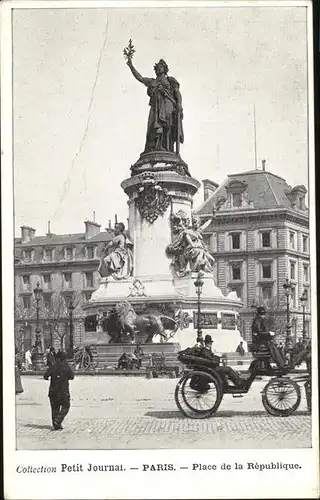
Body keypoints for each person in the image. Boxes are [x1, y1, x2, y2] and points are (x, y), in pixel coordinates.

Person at [126, 57, 184, 153]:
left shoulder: (170, 80)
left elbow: (177, 94)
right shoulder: (152, 81)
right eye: (157, 67)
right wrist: (131, 66)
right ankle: (155, 147)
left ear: (165, 69)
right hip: (155, 108)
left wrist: (179, 105)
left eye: (161, 67)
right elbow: (140, 78)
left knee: (167, 126)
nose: (159, 68)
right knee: (152, 126)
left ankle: (167, 148)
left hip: (167, 105)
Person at [43, 351, 74, 430]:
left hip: (53, 391)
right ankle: (58, 420)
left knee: (54, 408)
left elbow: (45, 376)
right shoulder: (66, 366)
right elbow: (72, 376)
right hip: (63, 391)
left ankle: (55, 424)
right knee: (66, 406)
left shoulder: (53, 366)